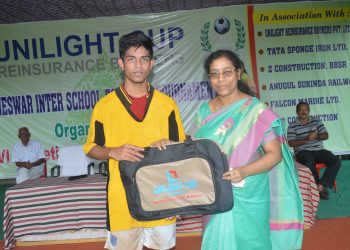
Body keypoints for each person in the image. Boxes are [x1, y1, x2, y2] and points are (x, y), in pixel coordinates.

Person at [83, 31, 186, 250]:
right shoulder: (104, 107)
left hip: (162, 198)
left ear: (152, 64)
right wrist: (112, 151)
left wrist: (169, 144)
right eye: (131, 59)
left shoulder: (167, 105)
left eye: (144, 59)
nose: (138, 66)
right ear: (121, 63)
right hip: (122, 201)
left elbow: (182, 151)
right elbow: (91, 148)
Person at [193, 50, 303, 249]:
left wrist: (243, 171)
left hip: (250, 190)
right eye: (214, 74)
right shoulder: (204, 112)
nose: (221, 79)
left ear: (238, 72)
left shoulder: (255, 110)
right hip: (216, 192)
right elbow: (199, 153)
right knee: (217, 240)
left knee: (252, 242)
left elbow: (275, 154)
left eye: (226, 72)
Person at [287, 101, 341, 200]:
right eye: (301, 110)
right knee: (308, 163)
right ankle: (319, 189)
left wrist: (317, 136)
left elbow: (326, 135)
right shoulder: (292, 125)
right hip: (303, 151)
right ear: (297, 112)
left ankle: (320, 186)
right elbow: (291, 143)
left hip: (319, 150)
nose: (304, 112)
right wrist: (306, 139)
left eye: (306, 110)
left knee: (336, 161)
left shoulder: (316, 121)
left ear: (309, 111)